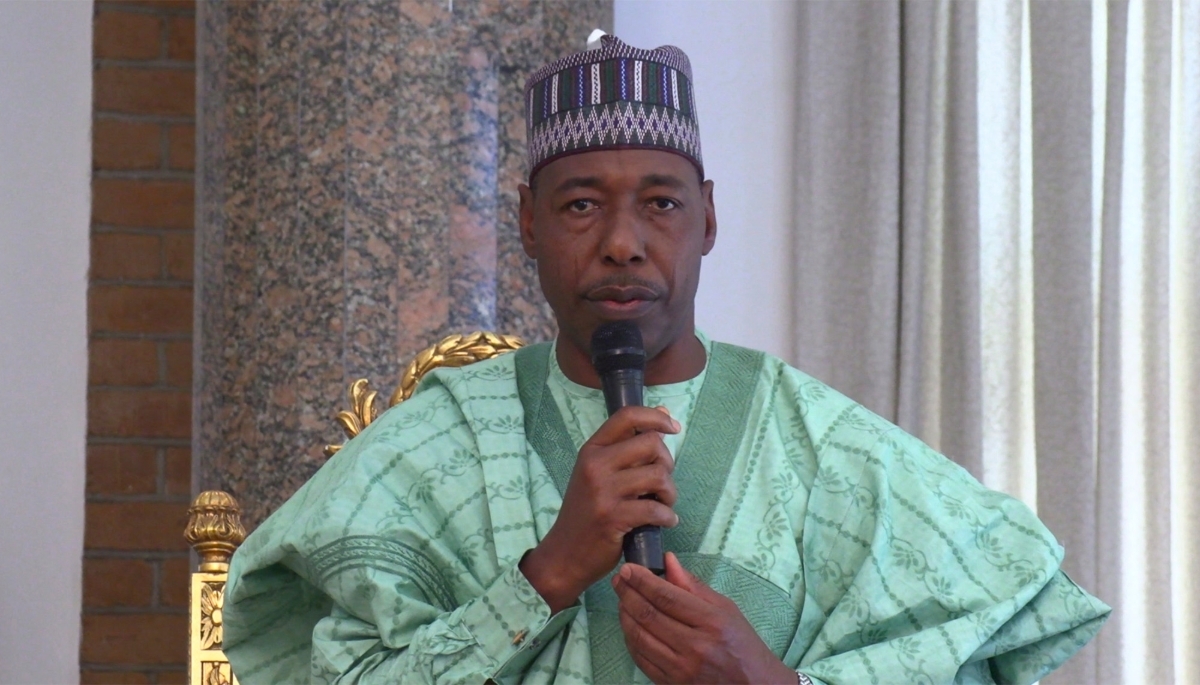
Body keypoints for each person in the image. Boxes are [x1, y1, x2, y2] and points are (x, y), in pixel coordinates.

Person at [223, 34, 1109, 684]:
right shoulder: (432, 447)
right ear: (527, 221)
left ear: (708, 218)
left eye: (659, 203)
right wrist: (548, 575)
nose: (622, 243)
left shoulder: (824, 445)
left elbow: (982, 638)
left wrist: (768, 681)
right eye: (579, 207)